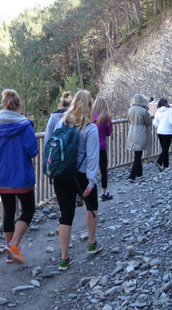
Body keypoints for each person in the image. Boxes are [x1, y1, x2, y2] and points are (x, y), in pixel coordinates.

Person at [0, 89, 39, 264]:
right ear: (18, 105)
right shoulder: (25, 125)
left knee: (9, 212)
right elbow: (32, 151)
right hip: (22, 176)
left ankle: (9, 253)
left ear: (4, 104)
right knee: (28, 209)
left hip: (2, 176)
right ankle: (13, 245)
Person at [52, 90, 102, 270]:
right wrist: (91, 181)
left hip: (62, 174)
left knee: (65, 214)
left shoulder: (61, 123)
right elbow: (92, 157)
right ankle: (91, 242)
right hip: (81, 175)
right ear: (90, 105)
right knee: (91, 206)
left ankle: (64, 258)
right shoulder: (90, 128)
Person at [92, 96, 113, 200]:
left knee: (90, 170)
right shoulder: (106, 117)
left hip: (91, 148)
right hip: (101, 147)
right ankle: (104, 193)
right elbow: (109, 132)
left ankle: (88, 193)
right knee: (104, 170)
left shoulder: (90, 117)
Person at [127, 93, 152, 182]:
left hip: (132, 132)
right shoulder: (143, 111)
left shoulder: (130, 110)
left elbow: (128, 121)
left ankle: (139, 173)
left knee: (137, 153)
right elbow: (149, 122)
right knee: (138, 155)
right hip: (140, 133)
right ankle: (132, 176)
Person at [153, 98, 172, 171]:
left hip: (160, 131)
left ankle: (166, 164)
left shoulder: (158, 111)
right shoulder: (170, 110)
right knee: (166, 148)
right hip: (168, 131)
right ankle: (159, 161)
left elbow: (154, 122)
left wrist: (158, 126)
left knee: (164, 148)